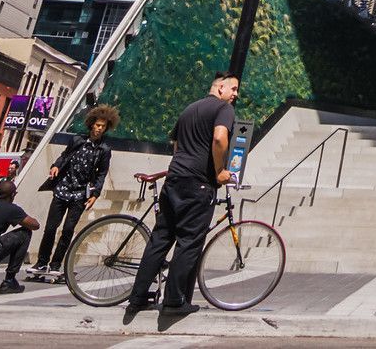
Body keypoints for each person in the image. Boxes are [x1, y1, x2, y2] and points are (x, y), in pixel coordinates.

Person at [126, 72, 238, 314]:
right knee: (189, 241)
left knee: (161, 238)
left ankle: (137, 297)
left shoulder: (190, 109)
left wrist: (182, 164)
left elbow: (176, 144)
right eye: (233, 89)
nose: (235, 94)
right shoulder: (224, 109)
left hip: (174, 178)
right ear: (220, 87)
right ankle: (174, 301)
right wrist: (219, 171)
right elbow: (220, 138)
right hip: (198, 183)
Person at [32, 103, 118, 277]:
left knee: (68, 230)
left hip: (79, 195)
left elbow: (102, 173)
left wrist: (95, 194)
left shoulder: (104, 150)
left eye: (103, 126)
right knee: (50, 228)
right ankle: (41, 262)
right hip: (63, 189)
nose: (99, 129)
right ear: (91, 124)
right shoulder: (77, 140)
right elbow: (64, 156)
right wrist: (56, 166)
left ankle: (55, 264)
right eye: (97, 125)